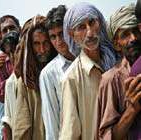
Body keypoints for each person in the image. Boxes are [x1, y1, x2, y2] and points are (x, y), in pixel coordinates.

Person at [59, 2, 117, 140]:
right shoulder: (71, 79)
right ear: (72, 35)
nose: (90, 33)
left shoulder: (117, 61)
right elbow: (70, 134)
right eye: (81, 27)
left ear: (100, 23)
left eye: (92, 22)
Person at [96, 3, 141, 140]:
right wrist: (132, 108)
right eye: (125, 35)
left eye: (135, 32)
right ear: (116, 44)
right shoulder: (110, 80)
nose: (133, 38)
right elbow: (107, 136)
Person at [13, 15, 57, 140]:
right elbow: (22, 126)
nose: (42, 50)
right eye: (37, 44)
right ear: (30, 47)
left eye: (46, 43)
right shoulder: (26, 81)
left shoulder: (60, 71)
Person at [39, 5, 75, 140]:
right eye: (53, 37)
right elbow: (51, 122)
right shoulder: (48, 74)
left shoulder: (89, 59)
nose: (59, 42)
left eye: (61, 34)